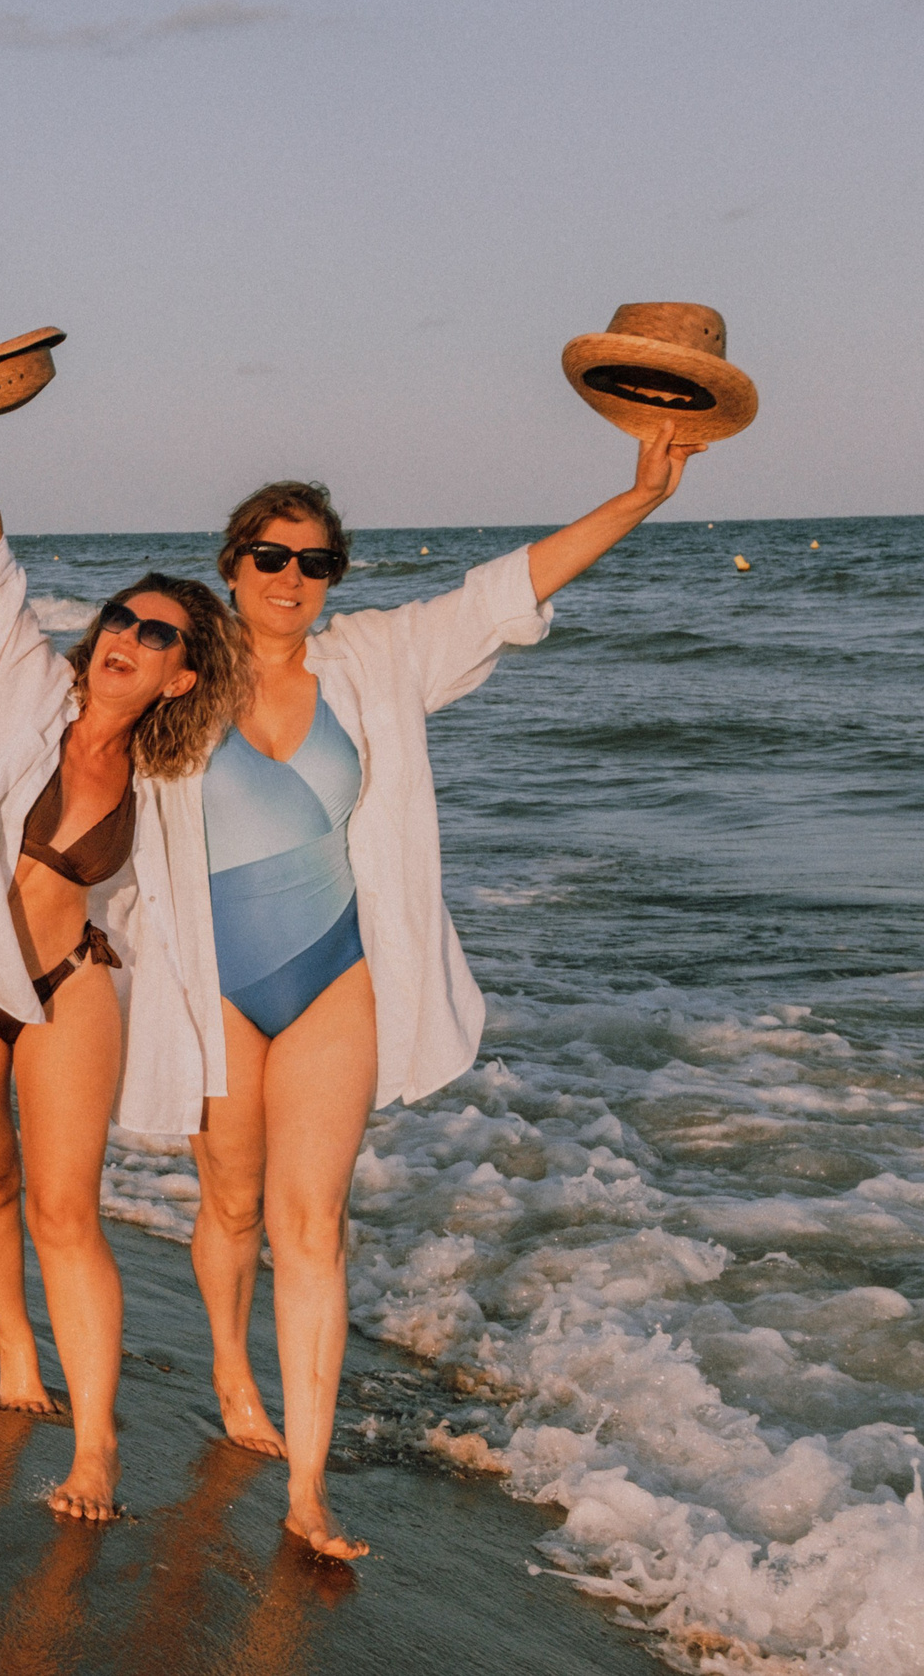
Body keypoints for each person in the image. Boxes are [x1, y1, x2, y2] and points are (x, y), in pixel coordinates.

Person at [176, 422, 705, 1560]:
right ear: (232, 562)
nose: (290, 579)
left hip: (335, 973)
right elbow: (59, 738)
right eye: (270, 555)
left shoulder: (375, 657)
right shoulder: (177, 660)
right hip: (207, 980)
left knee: (309, 1223)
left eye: (314, 562)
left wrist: (634, 501)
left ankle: (308, 1487)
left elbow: (501, 589)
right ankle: (229, 1358)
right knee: (228, 1201)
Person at [0, 327, 246, 1520]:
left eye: (158, 637)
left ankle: (94, 1446)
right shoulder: (19, 677)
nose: (128, 640)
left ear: (180, 677)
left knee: (64, 1208)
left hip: (66, 982)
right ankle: (12, 1343)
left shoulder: (167, 780)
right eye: (121, 621)